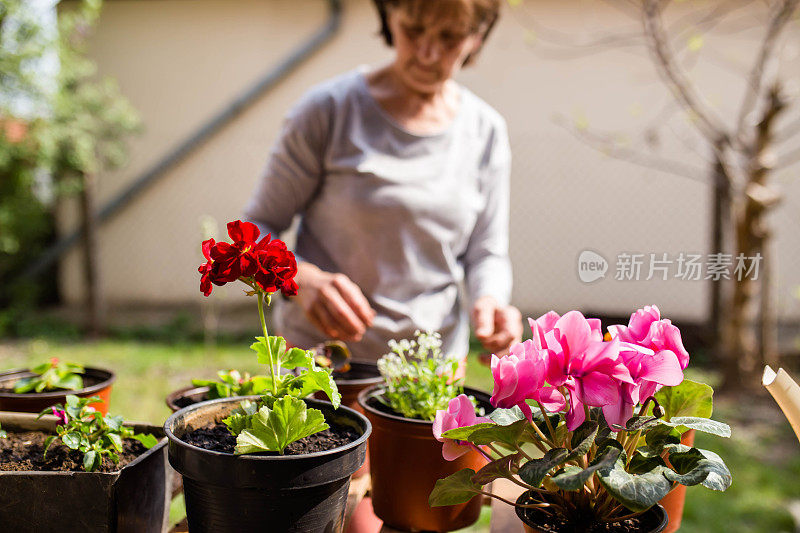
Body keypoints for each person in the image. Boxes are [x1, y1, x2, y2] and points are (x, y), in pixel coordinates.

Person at [244, 0, 522, 363]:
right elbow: (255, 228)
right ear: (389, 16)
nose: (427, 53)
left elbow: (487, 253)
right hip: (324, 363)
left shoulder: (486, 131)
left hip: (430, 370)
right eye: (414, 30)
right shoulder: (328, 111)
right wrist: (301, 280)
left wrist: (492, 302)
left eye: (450, 37)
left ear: (477, 37)